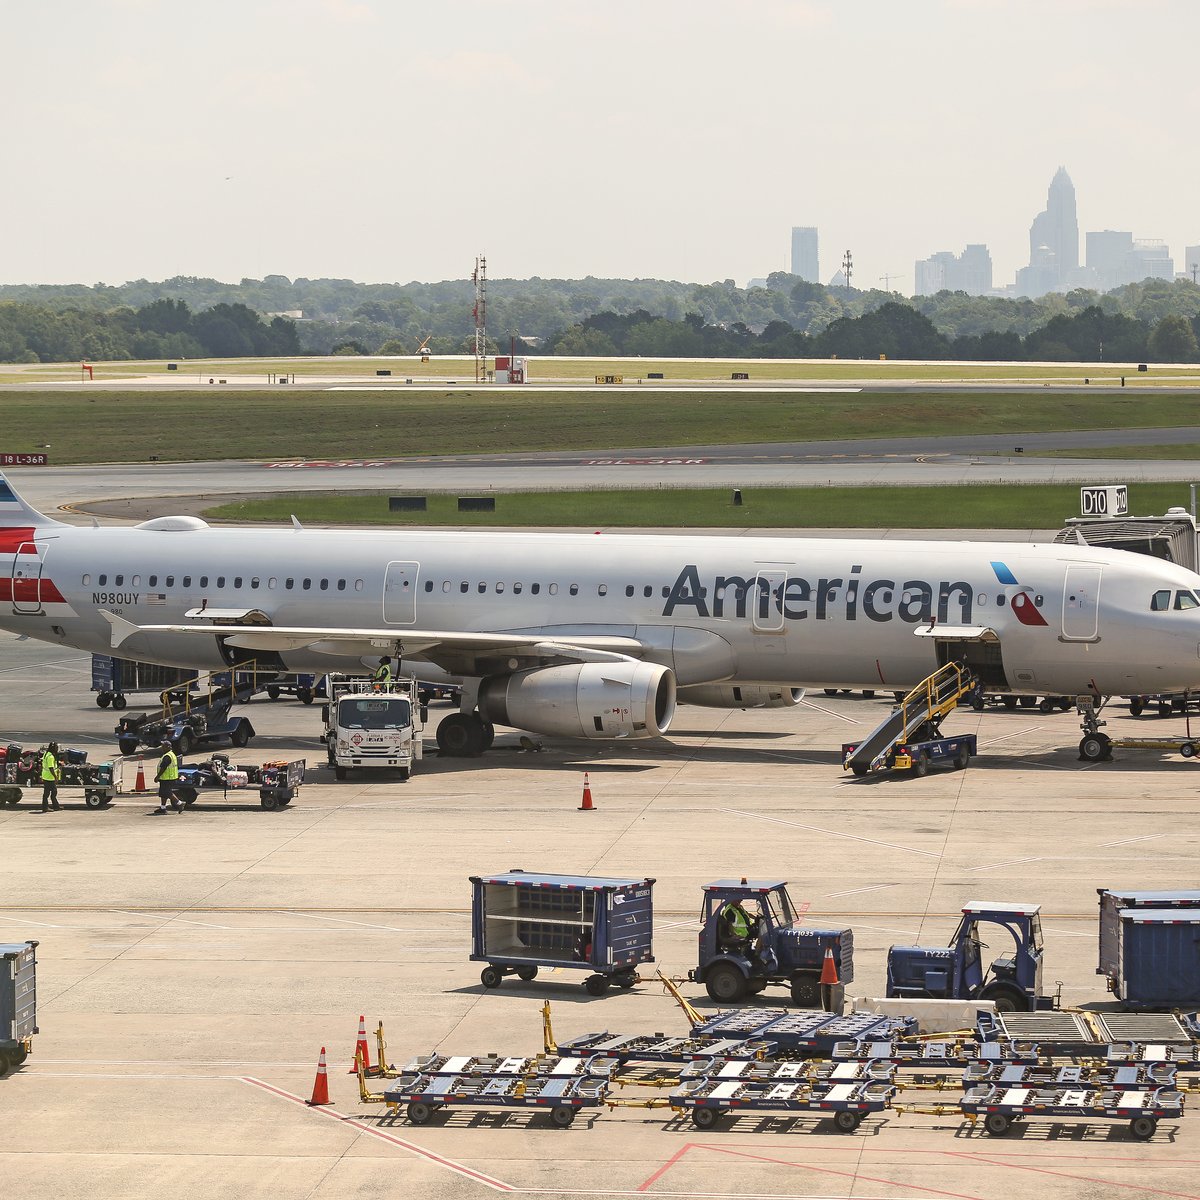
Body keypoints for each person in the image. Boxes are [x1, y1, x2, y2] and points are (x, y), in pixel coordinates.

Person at [153, 740, 182, 814]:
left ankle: (180, 803)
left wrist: (157, 777)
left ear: (168, 747)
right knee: (163, 793)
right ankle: (163, 808)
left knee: (167, 792)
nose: (162, 747)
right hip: (168, 777)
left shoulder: (167, 756)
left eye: (164, 746)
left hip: (167, 778)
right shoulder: (171, 754)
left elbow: (163, 767)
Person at [40, 741, 62, 812]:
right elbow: (51, 768)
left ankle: (55, 806)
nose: (57, 749)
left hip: (46, 776)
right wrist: (55, 777)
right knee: (51, 792)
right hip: (49, 777)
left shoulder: (46, 754)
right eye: (56, 748)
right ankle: (47, 807)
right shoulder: (50, 757)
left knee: (50, 792)